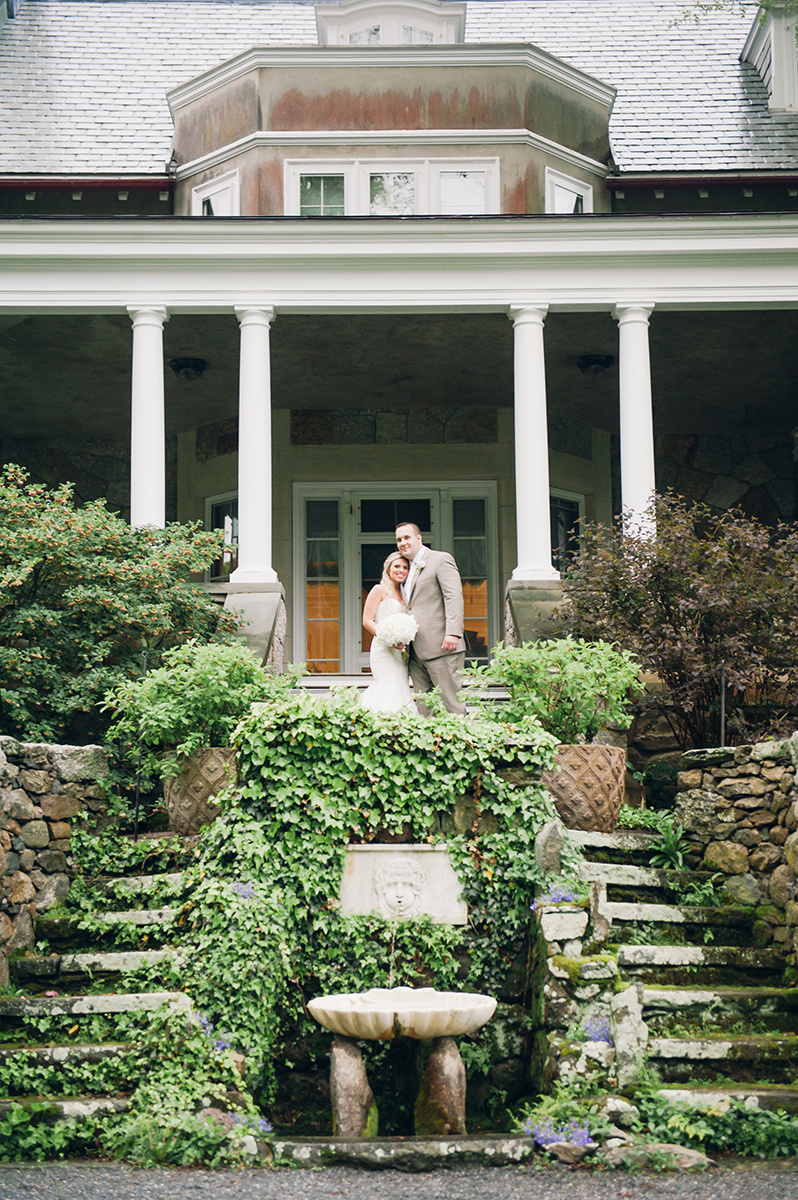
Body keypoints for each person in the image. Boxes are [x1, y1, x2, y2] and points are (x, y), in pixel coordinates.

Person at [395, 521, 466, 716]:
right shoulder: (405, 570)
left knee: (452, 704)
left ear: (419, 538)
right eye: (399, 540)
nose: (402, 542)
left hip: (443, 646)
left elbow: (453, 597)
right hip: (415, 650)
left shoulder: (440, 560)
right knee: (424, 708)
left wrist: (453, 633)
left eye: (407, 537)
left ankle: (462, 743)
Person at [360, 551, 417, 714]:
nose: (401, 570)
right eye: (397, 566)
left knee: (400, 686)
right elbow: (367, 620)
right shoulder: (379, 589)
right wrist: (388, 639)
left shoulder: (405, 594)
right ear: (388, 569)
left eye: (405, 567)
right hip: (383, 650)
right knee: (387, 685)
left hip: (400, 652)